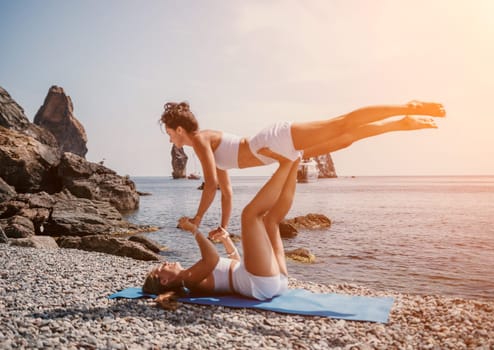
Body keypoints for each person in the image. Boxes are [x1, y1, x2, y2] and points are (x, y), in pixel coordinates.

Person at [160, 100, 446, 235]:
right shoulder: (204, 143)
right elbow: (226, 191)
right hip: (277, 153)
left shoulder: (199, 140)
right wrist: (223, 225)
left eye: (170, 132)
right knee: (344, 140)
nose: (170, 138)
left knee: (341, 123)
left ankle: (408, 108)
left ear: (180, 129)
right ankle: (399, 124)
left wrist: (197, 219)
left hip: (274, 140)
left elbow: (210, 185)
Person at [143, 150, 300, 301]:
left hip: (269, 282)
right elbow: (212, 258)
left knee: (270, 222)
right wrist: (194, 230)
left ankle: (294, 162)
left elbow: (236, 268)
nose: (163, 263)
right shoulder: (188, 281)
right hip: (259, 283)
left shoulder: (190, 274)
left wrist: (226, 241)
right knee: (250, 215)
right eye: (160, 269)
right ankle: (286, 164)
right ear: (164, 281)